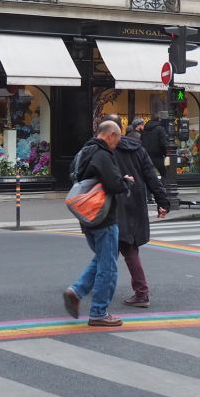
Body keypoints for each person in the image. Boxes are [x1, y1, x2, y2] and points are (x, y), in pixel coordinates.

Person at [62, 120, 131, 328]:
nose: (117, 144)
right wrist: (125, 181)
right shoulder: (102, 155)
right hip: (104, 216)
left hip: (88, 217)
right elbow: (114, 184)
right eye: (117, 139)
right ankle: (99, 311)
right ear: (110, 134)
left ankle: (76, 292)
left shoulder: (83, 152)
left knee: (102, 258)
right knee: (108, 266)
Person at [115, 125, 169, 308]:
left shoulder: (106, 149)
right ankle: (88, 286)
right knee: (128, 247)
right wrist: (163, 202)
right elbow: (152, 177)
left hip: (114, 203)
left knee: (115, 249)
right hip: (136, 201)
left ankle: (141, 292)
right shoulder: (139, 150)